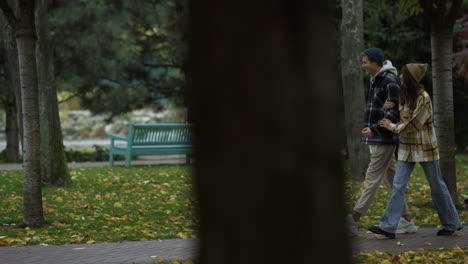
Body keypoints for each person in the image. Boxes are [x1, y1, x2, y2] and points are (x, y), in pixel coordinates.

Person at [368, 63, 463, 238]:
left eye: (403, 75)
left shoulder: (423, 98)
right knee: (398, 186)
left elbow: (413, 125)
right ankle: (388, 227)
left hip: (426, 148)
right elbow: (398, 113)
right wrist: (387, 109)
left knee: (437, 186)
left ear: (411, 78)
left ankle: (451, 223)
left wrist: (392, 127)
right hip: (406, 149)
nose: (400, 78)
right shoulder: (403, 95)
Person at [346, 48, 417, 236]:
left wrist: (375, 128)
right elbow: (381, 107)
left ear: (376, 62)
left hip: (384, 137)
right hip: (377, 138)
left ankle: (353, 219)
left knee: (371, 178)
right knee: (392, 180)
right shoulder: (376, 79)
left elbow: (396, 112)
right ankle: (406, 220)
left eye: (366, 62)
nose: (363, 66)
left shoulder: (390, 81)